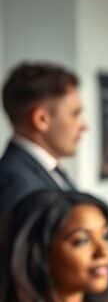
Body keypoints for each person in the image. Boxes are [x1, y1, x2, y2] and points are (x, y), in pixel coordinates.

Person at [0, 62, 85, 220]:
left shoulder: (47, 171)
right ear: (41, 119)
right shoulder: (16, 184)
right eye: (75, 114)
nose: (84, 126)